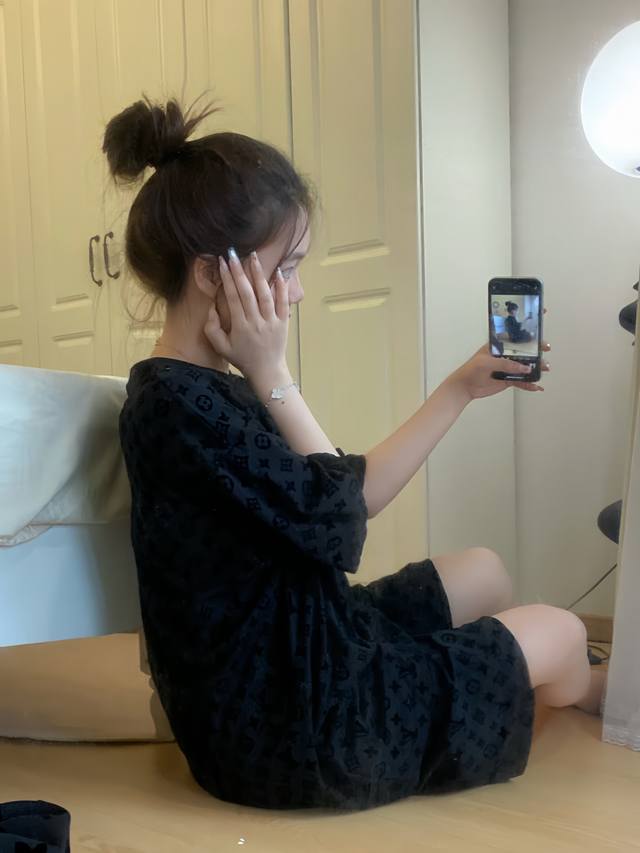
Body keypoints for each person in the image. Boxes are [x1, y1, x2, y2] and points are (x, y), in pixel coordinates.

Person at [110, 98, 606, 811]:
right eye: (287, 267)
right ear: (215, 274)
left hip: (308, 645)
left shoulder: (201, 389)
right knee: (562, 631)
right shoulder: (176, 406)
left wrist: (459, 389)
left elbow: (345, 493)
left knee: (485, 571)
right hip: (295, 728)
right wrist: (274, 374)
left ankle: (538, 679)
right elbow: (341, 523)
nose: (298, 291)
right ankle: (587, 691)